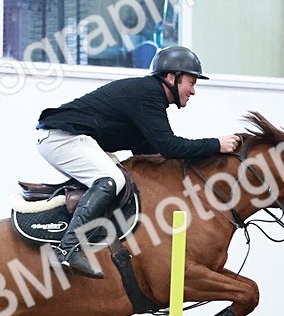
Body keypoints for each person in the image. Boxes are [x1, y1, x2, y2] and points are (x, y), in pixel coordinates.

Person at [35, 46, 239, 278]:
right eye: (191, 83)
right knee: (112, 179)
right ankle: (66, 249)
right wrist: (216, 145)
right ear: (171, 77)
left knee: (122, 179)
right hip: (61, 137)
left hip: (73, 138)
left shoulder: (148, 98)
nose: (193, 91)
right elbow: (169, 146)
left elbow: (151, 154)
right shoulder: (148, 94)